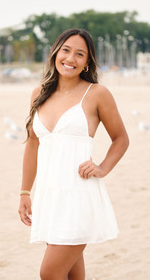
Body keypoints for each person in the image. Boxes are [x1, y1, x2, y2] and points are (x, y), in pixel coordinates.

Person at [18, 28, 129, 280]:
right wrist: (25, 192)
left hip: (79, 196)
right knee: (71, 273)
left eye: (80, 54)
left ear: (87, 62)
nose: (71, 58)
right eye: (66, 50)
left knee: (50, 272)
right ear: (55, 52)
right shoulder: (39, 93)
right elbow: (33, 144)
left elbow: (121, 138)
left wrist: (103, 167)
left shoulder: (97, 94)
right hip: (50, 196)